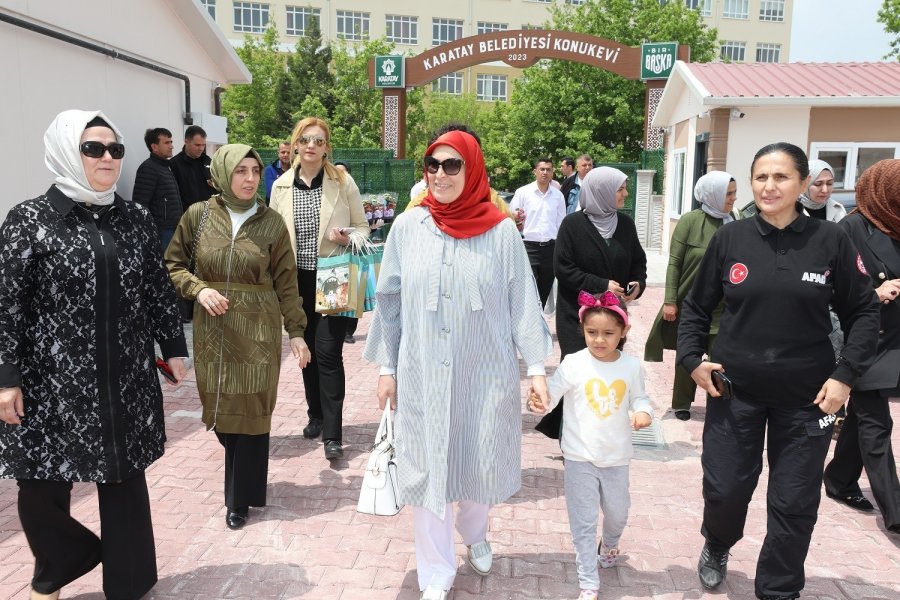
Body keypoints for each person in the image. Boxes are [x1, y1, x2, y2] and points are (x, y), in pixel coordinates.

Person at [676, 142, 880, 600]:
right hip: (734, 392)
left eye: (781, 177)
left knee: (793, 502)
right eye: (761, 177)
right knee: (726, 489)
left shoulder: (831, 241)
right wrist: (692, 360)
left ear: (803, 184)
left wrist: (845, 376)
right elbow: (695, 307)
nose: (770, 186)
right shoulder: (730, 239)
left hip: (808, 399)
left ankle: (779, 589)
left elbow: (864, 312)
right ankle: (718, 542)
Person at [0, 109, 188, 600]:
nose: (108, 157)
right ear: (67, 150)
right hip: (49, 382)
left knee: (124, 480)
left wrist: (173, 347)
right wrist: (6, 377)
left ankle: (128, 584)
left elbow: (156, 288)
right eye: (93, 148)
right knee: (40, 486)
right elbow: (7, 303)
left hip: (121, 375)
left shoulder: (135, 218)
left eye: (115, 149)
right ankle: (55, 572)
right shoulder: (30, 220)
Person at [363, 130, 552, 600]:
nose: (441, 174)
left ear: (472, 170)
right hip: (423, 371)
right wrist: (387, 367)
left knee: (476, 464)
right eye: (433, 165)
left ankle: (475, 531)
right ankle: (435, 574)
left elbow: (521, 302)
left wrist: (536, 370)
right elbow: (389, 301)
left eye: (452, 165)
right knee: (428, 470)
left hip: (483, 374)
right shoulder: (408, 227)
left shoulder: (502, 230)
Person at [165, 143, 310, 530]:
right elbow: (173, 266)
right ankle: (243, 481)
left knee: (252, 410)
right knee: (223, 414)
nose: (248, 179)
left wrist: (296, 332)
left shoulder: (271, 223)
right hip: (213, 329)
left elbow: (287, 282)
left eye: (253, 171)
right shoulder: (197, 216)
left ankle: (239, 500)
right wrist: (199, 288)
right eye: (239, 171)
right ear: (223, 175)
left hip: (259, 330)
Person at [528, 291, 652, 600]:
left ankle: (610, 543)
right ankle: (588, 582)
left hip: (616, 457)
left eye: (608, 333)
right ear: (582, 329)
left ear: (624, 332)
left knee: (618, 513)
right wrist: (538, 401)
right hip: (578, 457)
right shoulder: (573, 364)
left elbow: (639, 397)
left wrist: (642, 413)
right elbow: (551, 395)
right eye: (591, 332)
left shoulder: (631, 366)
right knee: (582, 523)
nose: (599, 340)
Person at [269, 117, 369, 461]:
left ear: (327, 147)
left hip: (333, 275)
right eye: (305, 139)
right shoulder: (281, 186)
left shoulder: (342, 182)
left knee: (328, 353)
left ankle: (333, 433)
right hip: (295, 280)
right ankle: (315, 414)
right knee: (306, 353)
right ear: (295, 144)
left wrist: (347, 236)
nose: (311, 145)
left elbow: (363, 228)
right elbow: (272, 237)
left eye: (319, 140)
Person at [536, 166, 646, 439]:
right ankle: (570, 436)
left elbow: (638, 262)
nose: (625, 194)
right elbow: (563, 269)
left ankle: (602, 431)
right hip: (578, 317)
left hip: (612, 318)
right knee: (577, 374)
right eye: (620, 189)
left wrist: (637, 284)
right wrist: (600, 284)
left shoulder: (625, 224)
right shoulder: (572, 226)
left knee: (607, 373)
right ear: (602, 192)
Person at [823, 158, 900, 532]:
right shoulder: (849, 229)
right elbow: (826, 291)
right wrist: (875, 292)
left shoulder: (896, 224)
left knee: (863, 418)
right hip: (866, 340)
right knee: (876, 422)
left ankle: (839, 479)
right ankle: (897, 513)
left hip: (897, 340)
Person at [644, 171, 738, 421]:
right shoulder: (689, 221)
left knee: (721, 357)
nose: (733, 199)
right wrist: (670, 300)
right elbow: (675, 263)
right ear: (713, 194)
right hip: (692, 302)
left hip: (724, 305)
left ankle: (716, 401)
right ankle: (681, 403)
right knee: (689, 354)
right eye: (728, 194)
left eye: (733, 193)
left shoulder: (734, 221)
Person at [509, 157, 566, 307]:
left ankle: (539, 325)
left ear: (552, 173)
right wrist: (517, 220)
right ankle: (529, 325)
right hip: (528, 247)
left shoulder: (558, 196)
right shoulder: (523, 192)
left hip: (550, 249)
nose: (545, 173)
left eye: (548, 170)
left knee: (544, 290)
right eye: (542, 169)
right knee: (529, 290)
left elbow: (561, 224)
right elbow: (511, 217)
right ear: (535, 171)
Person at [133, 127, 182, 251]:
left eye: (171, 142)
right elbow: (140, 205)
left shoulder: (165, 167)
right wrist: (150, 233)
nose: (171, 146)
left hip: (172, 229)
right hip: (161, 231)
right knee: (165, 267)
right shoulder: (148, 168)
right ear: (154, 147)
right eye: (166, 143)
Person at [170, 124, 215, 210]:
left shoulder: (208, 161)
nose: (201, 148)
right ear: (186, 142)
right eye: (197, 145)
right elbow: (173, 196)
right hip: (188, 217)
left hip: (210, 214)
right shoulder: (174, 164)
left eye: (203, 145)